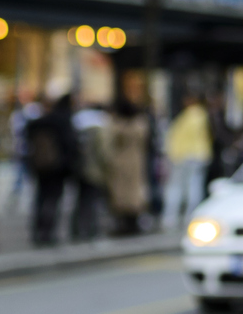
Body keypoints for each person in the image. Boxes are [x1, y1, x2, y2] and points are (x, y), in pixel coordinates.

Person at [25, 92, 78, 247]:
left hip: (41, 165)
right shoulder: (64, 120)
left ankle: (38, 230)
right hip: (57, 167)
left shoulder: (44, 119)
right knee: (52, 199)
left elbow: (29, 130)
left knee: (41, 197)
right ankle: (47, 232)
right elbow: (70, 145)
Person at [161, 91, 212, 229]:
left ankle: (172, 217)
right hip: (195, 155)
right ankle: (189, 216)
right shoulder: (198, 115)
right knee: (192, 186)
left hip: (184, 156)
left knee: (180, 187)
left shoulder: (190, 115)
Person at [102, 96, 151, 237]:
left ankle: (125, 224)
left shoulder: (117, 125)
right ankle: (132, 222)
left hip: (120, 162)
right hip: (136, 162)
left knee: (121, 194)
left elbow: (108, 142)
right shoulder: (140, 125)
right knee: (133, 193)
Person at [70, 99, 109, 241]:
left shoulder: (79, 125)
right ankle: (89, 230)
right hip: (94, 170)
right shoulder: (99, 127)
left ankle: (76, 229)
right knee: (92, 201)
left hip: (78, 169)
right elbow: (104, 152)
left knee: (80, 200)